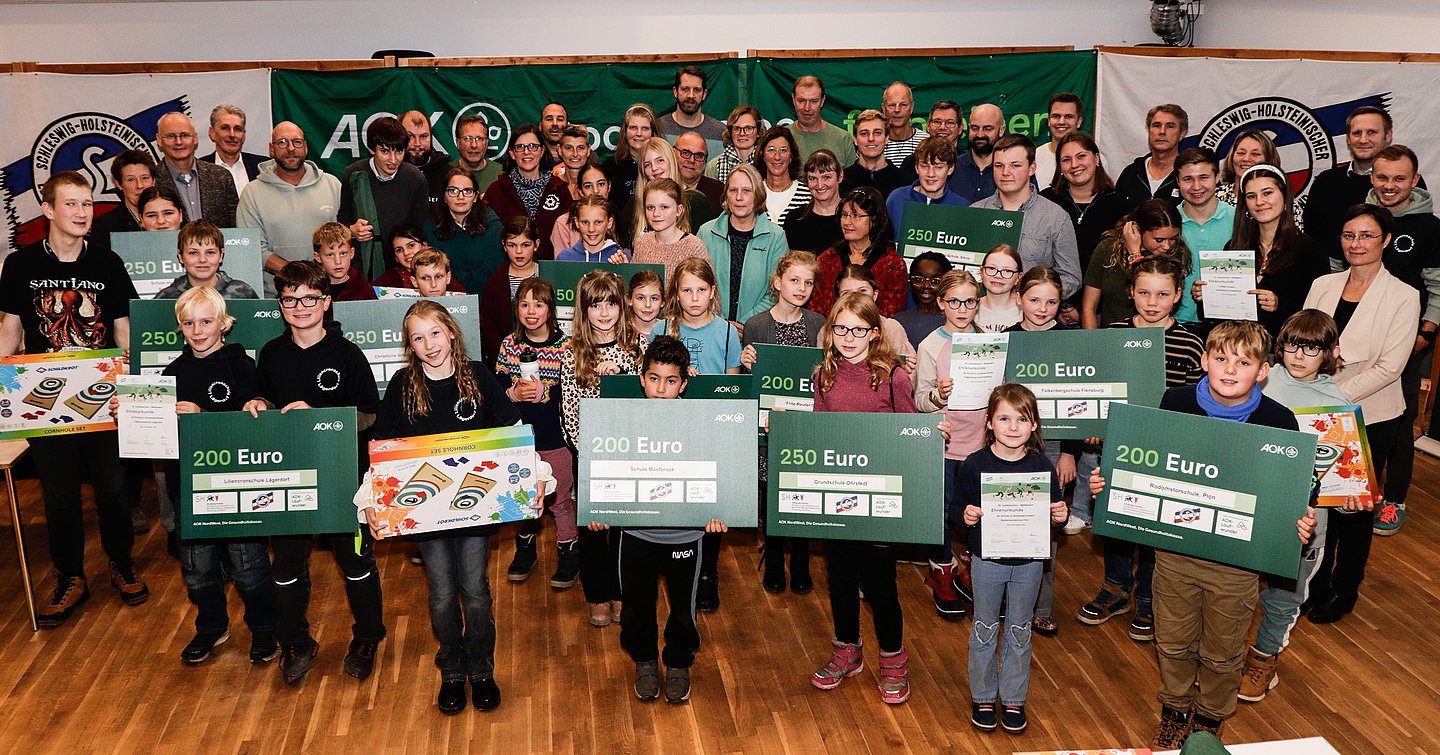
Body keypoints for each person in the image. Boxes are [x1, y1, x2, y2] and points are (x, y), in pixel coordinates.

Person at [1088, 319, 1316, 748]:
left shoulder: (1278, 420)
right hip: (1175, 554)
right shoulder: (1173, 402)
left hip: (1237, 564)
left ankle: (1210, 718)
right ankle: (1174, 706)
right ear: (1204, 360)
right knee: (1172, 641)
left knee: (1223, 650)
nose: (1230, 369)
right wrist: (1110, 483)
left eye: (1244, 362)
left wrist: (1298, 519)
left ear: (1263, 370)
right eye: (1221, 358)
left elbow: (1288, 492)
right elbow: (1149, 461)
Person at [365, 299, 534, 714]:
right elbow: (382, 452)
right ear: (410, 346)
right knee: (441, 594)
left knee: (475, 591)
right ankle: (452, 669)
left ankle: (481, 667)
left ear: (452, 332)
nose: (429, 344)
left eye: (435, 333)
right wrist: (370, 502)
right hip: (428, 518)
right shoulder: (404, 385)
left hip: (476, 512)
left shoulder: (478, 376)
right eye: (418, 338)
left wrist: (537, 480)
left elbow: (513, 433)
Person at [0, 171, 146, 626]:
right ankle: (70, 578)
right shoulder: (20, 265)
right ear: (47, 210)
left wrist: (132, 384)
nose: (83, 213)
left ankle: (121, 564)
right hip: (44, 402)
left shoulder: (107, 262)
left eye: (87, 204)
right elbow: (10, 331)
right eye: (72, 204)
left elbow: (124, 332)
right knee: (60, 495)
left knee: (113, 491)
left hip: (103, 397)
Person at [242, 260, 385, 685]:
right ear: (281, 304)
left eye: (309, 298)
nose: (300, 306)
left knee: (355, 561)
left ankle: (367, 637)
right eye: (290, 299)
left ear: (326, 302)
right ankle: (296, 641)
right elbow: (263, 400)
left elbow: (370, 415)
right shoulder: (270, 353)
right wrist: (258, 406)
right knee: (286, 566)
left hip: (344, 476)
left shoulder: (348, 354)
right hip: (288, 479)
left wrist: (318, 416)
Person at [587, 335, 728, 704]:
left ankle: (679, 661)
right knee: (635, 609)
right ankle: (645, 660)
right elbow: (606, 467)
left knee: (684, 609)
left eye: (670, 381)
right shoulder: (623, 420)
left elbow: (719, 473)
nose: (660, 389)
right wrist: (600, 509)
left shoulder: (701, 422)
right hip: (635, 534)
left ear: (683, 384)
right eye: (653, 378)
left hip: (687, 536)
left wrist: (718, 514)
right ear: (641, 378)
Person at [1302, 204, 1418, 624]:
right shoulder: (1322, 284)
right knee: (1316, 500)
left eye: (1367, 235)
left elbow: (1391, 368)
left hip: (1371, 416)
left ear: (1386, 240)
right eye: (1349, 235)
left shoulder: (1404, 296)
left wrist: (1329, 394)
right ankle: (1312, 582)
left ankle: (1345, 588)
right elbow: (1303, 340)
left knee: (1353, 507)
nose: (1357, 244)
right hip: (1316, 410)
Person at [1076, 258, 1204, 636]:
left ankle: (1148, 597)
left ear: (1178, 295)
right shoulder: (1112, 333)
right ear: (1130, 292)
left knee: (1153, 524)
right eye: (1144, 292)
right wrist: (1093, 426)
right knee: (1115, 520)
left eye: (1163, 294)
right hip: (1116, 446)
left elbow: (1194, 400)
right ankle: (1115, 587)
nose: (1152, 301)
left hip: (1165, 450)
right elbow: (1096, 388)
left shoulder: (1191, 341)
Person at [154, 287, 279, 664]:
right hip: (188, 488)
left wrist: (201, 417)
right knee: (197, 570)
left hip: (236, 485)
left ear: (224, 324)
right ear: (180, 327)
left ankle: (263, 627)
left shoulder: (241, 367)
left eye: (206, 321)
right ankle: (211, 627)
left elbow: (250, 429)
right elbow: (155, 435)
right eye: (189, 323)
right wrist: (129, 412)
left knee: (250, 568)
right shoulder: (171, 373)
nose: (198, 329)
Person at [809, 291, 918, 704]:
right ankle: (846, 650)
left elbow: (909, 433)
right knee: (839, 579)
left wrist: (930, 433)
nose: (848, 338)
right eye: (841, 329)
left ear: (875, 333)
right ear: (830, 330)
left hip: (881, 499)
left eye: (858, 330)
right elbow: (820, 434)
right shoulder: (823, 375)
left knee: (880, 585)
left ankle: (893, 658)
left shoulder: (894, 377)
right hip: (836, 497)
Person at [1241, 308, 1347, 702]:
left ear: (1329, 352)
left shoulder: (1338, 401)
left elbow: (1347, 475)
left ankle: (1263, 661)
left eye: (1312, 348)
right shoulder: (1260, 382)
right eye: (1292, 345)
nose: (1299, 355)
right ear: (1280, 346)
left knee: (1285, 596)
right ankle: (1227, 658)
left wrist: (1351, 502)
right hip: (1255, 505)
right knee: (1236, 590)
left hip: (1308, 519)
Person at [962, 383, 1067, 735]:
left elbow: (1056, 512)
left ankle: (1013, 698)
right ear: (989, 422)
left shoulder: (1042, 467)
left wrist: (1061, 515)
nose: (1012, 426)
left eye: (1022, 419)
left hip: (1029, 562)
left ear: (1034, 425)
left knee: (1021, 631)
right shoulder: (974, 465)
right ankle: (983, 696)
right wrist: (966, 515)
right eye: (1004, 418)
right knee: (984, 628)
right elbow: (954, 510)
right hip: (987, 560)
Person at [559, 270, 645, 627]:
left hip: (630, 453)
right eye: (596, 305)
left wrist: (620, 376)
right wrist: (590, 452)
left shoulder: (635, 348)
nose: (605, 312)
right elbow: (569, 412)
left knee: (625, 529)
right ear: (584, 310)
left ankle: (623, 592)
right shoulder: (571, 354)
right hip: (591, 455)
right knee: (594, 529)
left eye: (611, 303)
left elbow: (647, 398)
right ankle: (597, 595)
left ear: (622, 306)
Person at [1364, 144, 1439, 535]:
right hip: (1357, 345)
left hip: (1406, 346)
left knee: (1399, 424)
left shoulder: (1430, 227)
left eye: (1398, 178)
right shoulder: (1361, 218)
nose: (1389, 185)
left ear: (1414, 180)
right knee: (1360, 422)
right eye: (1382, 177)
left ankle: (1394, 501)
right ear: (1371, 178)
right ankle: (1362, 492)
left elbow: (1437, 286)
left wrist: (1426, 333)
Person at [739, 251, 825, 594]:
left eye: (808, 282)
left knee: (804, 491)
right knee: (772, 494)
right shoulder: (757, 324)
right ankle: (773, 559)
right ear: (777, 283)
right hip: (769, 426)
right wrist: (746, 361)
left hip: (806, 426)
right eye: (794, 280)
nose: (801, 288)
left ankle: (801, 561)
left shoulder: (819, 323)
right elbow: (753, 380)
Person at [912, 269, 986, 618]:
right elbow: (919, 400)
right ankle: (942, 570)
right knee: (941, 512)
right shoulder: (930, 345)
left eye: (969, 302)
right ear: (941, 302)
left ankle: (972, 572)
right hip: (945, 444)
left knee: (978, 511)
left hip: (982, 445)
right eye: (954, 301)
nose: (962, 308)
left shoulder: (989, 341)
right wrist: (936, 395)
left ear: (977, 304)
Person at [494, 278, 576, 588]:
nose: (531, 311)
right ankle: (525, 551)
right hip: (519, 439)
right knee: (523, 498)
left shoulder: (565, 346)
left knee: (560, 501)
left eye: (538, 304)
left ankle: (568, 551)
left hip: (555, 438)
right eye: (524, 304)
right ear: (516, 309)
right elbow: (497, 387)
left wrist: (544, 392)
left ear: (550, 309)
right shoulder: (508, 345)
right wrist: (514, 394)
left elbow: (572, 392)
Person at [1194, 165, 1327, 336]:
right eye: (1251, 196)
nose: (1259, 202)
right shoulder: (1234, 248)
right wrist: (1205, 297)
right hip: (1239, 350)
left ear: (1285, 196)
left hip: (1286, 353)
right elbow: (1218, 317)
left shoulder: (1311, 251)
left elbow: (1318, 317)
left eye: (1267, 193)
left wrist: (1280, 305)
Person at [971, 135, 1084, 302]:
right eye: (999, 166)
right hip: (979, 316)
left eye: (1015, 165)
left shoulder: (1055, 217)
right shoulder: (975, 213)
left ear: (1032, 168)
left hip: (1032, 321)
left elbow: (1071, 277)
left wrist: (1036, 301)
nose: (1005, 173)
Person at [237, 122, 342, 296]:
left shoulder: (332, 184)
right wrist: (299, 276)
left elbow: (342, 240)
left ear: (306, 147)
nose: (291, 148)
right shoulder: (252, 192)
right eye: (282, 142)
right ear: (271, 149)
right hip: (277, 296)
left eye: (297, 142)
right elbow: (254, 249)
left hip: (329, 292)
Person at [1304, 106, 1399, 270]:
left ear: (1388, 136)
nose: (1363, 140)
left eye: (1371, 132)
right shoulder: (1325, 181)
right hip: (1328, 281)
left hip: (1385, 282)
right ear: (1348, 138)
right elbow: (1310, 237)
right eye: (1357, 133)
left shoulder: (1400, 184)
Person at [1039, 131, 1135, 293]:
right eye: (1066, 160)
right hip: (1050, 300)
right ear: (1060, 167)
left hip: (1101, 306)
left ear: (1096, 159)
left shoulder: (1119, 204)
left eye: (1081, 156)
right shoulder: (1045, 202)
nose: (1074, 164)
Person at [338, 115, 429, 280]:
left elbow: (419, 228)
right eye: (385, 152)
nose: (393, 160)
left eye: (399, 152)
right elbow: (343, 217)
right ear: (372, 149)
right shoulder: (354, 174)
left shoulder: (415, 179)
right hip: (363, 265)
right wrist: (352, 230)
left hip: (403, 269)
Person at [699, 163, 790, 324]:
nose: (739, 197)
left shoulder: (776, 237)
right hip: (710, 325)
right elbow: (695, 284)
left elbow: (777, 291)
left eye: (746, 191)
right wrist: (719, 324)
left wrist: (746, 323)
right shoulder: (706, 233)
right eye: (733, 190)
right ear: (726, 195)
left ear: (758, 195)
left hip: (757, 329)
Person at [1081, 199, 1190, 330]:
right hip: (1114, 336)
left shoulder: (1175, 254)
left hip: (1159, 337)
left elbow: (1148, 289)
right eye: (1159, 240)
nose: (1166, 246)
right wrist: (1093, 345)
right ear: (1138, 230)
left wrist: (1135, 255)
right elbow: (1088, 307)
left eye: (1173, 238)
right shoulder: (1107, 249)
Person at [811, 187, 907, 317]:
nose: (847, 222)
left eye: (856, 216)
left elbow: (892, 314)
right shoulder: (827, 260)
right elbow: (816, 311)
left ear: (874, 219)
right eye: (844, 215)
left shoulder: (892, 264)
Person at [483, 125, 573, 261]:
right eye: (520, 147)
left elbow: (572, 236)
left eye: (533, 146)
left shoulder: (559, 189)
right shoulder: (496, 191)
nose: (527, 152)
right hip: (510, 272)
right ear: (512, 153)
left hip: (551, 271)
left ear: (542, 151)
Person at [1174, 147, 1235, 325]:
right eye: (1187, 179)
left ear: (1217, 178)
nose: (1196, 187)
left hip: (1227, 326)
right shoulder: (1168, 222)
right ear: (1177, 181)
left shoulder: (1239, 220)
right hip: (1176, 324)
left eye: (1203, 177)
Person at [620, 137, 715, 249]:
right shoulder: (635, 203)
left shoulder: (695, 200)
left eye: (660, 160)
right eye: (647, 165)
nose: (654, 168)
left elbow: (706, 249)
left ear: (671, 161)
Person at [152, 111, 239, 227]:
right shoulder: (152, 180)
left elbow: (235, 225)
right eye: (170, 136)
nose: (178, 142)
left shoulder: (221, 176)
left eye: (185, 135)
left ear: (195, 138)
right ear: (159, 140)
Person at [427, 167, 504, 294]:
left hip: (486, 297)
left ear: (475, 197)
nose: (460, 196)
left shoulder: (494, 226)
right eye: (453, 191)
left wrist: (455, 279)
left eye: (467, 191)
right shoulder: (431, 228)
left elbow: (491, 272)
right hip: (446, 299)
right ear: (444, 197)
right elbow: (434, 274)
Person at [481, 217, 541, 365]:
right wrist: (501, 358)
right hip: (507, 357)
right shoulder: (497, 280)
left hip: (546, 354)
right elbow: (489, 325)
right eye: (512, 245)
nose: (519, 251)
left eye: (525, 245)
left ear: (536, 245)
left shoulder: (546, 275)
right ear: (504, 245)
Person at [884, 136, 968, 241]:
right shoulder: (897, 198)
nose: (931, 174)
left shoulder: (962, 207)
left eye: (938, 167)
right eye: (924, 166)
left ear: (950, 169)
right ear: (916, 167)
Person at [155, 219, 259, 299]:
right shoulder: (166, 298)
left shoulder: (244, 293)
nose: (202, 259)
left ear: (221, 255)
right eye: (193, 253)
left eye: (210, 252)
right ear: (180, 256)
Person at [628, 178, 708, 280]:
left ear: (679, 210)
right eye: (650, 207)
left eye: (664, 207)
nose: (656, 214)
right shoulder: (642, 242)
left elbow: (708, 289)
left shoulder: (694, 247)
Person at [837, 265, 917, 368]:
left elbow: (910, 372)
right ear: (838, 297)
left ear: (875, 295)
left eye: (862, 291)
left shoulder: (892, 329)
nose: (855, 297)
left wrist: (906, 368)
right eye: (846, 293)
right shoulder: (828, 330)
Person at [1115, 104, 1187, 206]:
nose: (1162, 132)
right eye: (1157, 125)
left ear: (1182, 134)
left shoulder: (1188, 175)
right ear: (1149, 131)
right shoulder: (1132, 173)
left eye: (1170, 126)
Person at [90, 148, 155, 247]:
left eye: (145, 178)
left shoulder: (170, 218)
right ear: (118, 184)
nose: (140, 185)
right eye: (131, 180)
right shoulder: (104, 225)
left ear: (153, 181)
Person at [783, 150, 845, 255]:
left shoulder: (851, 220)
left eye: (826, 177)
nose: (820, 185)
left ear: (840, 176)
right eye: (813, 178)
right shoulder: (794, 220)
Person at [788, 75, 857, 167]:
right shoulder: (781, 138)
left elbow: (851, 179)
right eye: (801, 101)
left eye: (814, 101)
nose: (807, 108)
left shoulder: (843, 139)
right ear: (793, 99)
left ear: (822, 101)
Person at [603, 103, 660, 211]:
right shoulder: (610, 166)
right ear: (625, 132)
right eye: (633, 127)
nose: (639, 133)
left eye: (645, 128)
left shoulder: (662, 166)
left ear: (653, 133)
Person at [659, 66, 726, 156]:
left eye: (697, 90)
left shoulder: (721, 132)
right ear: (675, 92)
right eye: (685, 89)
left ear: (704, 94)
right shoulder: (659, 128)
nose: (691, 95)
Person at [202, 104, 267, 195]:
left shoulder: (263, 167)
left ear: (244, 135)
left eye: (238, 129)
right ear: (212, 133)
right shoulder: (199, 169)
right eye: (225, 128)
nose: (232, 135)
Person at [376, 225, 461, 293]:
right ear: (396, 257)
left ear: (424, 246)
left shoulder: (441, 274)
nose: (406, 253)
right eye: (399, 250)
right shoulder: (386, 282)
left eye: (411, 245)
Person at [843, 109, 908, 199]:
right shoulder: (842, 181)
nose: (871, 139)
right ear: (855, 139)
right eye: (864, 133)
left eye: (877, 133)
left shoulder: (904, 182)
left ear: (886, 138)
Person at [893, 252, 953, 348]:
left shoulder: (954, 322)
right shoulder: (899, 321)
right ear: (911, 281)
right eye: (919, 279)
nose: (926, 285)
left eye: (935, 281)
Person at [755, 126, 811, 228]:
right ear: (762, 155)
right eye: (771, 150)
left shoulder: (808, 196)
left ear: (791, 156)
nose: (777, 157)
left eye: (783, 150)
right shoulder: (753, 193)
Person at [948, 103, 1005, 203]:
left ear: (1001, 130)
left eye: (987, 129)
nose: (980, 134)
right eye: (974, 128)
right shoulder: (951, 167)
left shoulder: (1011, 171)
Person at [551, 163, 612, 254]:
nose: (595, 191)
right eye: (588, 186)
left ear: (609, 187)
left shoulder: (619, 220)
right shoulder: (563, 223)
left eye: (601, 184)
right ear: (580, 192)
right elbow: (562, 265)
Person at [401, 110, 458, 206]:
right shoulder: (390, 173)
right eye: (410, 136)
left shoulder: (450, 176)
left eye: (423, 136)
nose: (417, 144)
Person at [1033, 93, 1087, 190]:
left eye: (1068, 116)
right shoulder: (1035, 157)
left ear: (1079, 122)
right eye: (1056, 116)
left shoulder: (1091, 158)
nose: (1061, 122)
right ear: (1049, 120)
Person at [313, 221, 377, 302]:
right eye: (330, 255)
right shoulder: (311, 290)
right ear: (318, 257)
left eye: (343, 254)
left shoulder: (365, 290)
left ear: (352, 253)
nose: (338, 261)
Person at [1215, 130, 1279, 208]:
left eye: (1255, 154)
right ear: (1232, 157)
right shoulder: (1214, 199)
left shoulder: (1283, 202)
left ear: (1268, 160)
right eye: (1241, 153)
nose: (1246, 158)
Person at [556, 195, 624, 263]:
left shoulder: (620, 257)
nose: (591, 229)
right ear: (577, 222)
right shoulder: (564, 258)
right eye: (585, 222)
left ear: (609, 223)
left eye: (598, 222)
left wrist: (625, 268)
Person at [705, 105, 762, 184]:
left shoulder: (766, 163)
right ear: (730, 132)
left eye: (748, 128)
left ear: (758, 131)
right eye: (736, 129)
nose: (742, 133)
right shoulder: (714, 166)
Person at [976, 244, 1024, 333]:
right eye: (991, 268)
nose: (998, 275)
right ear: (982, 272)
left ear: (1018, 277)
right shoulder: (969, 307)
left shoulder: (1026, 312)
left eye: (1007, 271)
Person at [675, 131, 725, 212]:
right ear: (673, 153)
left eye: (699, 156)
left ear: (705, 160)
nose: (691, 160)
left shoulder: (719, 192)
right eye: (685, 153)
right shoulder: (661, 188)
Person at [452, 114, 502, 195]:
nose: (474, 145)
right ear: (458, 143)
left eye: (479, 139)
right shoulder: (446, 172)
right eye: (468, 139)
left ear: (487, 143)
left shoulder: (501, 175)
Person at [881, 82, 927, 168]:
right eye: (892, 105)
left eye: (903, 105)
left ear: (912, 107)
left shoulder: (927, 142)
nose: (897, 110)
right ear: (883, 108)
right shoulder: (874, 143)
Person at [628, 269, 664, 344]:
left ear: (662, 302)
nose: (648, 305)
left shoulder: (669, 331)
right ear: (629, 300)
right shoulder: (621, 332)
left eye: (654, 298)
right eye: (641, 298)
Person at [556, 125, 593, 197]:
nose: (575, 154)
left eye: (581, 148)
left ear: (588, 150)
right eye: (569, 148)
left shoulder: (596, 187)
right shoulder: (550, 184)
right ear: (559, 150)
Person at [539, 102, 568, 172]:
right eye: (549, 119)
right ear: (540, 126)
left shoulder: (583, 155)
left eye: (560, 119)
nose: (555, 123)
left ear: (567, 126)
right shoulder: (530, 157)